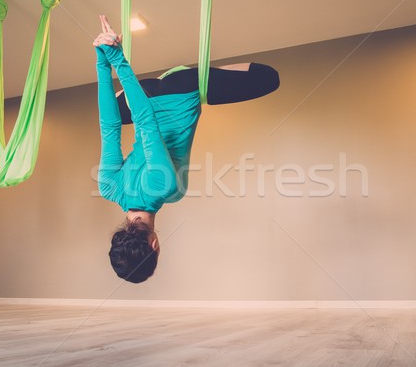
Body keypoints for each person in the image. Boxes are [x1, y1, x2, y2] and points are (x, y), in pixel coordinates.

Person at [94, 15, 279, 283]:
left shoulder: (167, 191)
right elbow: (109, 125)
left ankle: (198, 77)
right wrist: (103, 60)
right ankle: (145, 83)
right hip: (142, 92)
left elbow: (148, 123)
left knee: (268, 78)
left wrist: (119, 59)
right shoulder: (108, 188)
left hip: (181, 87)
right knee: (119, 115)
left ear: (155, 245)